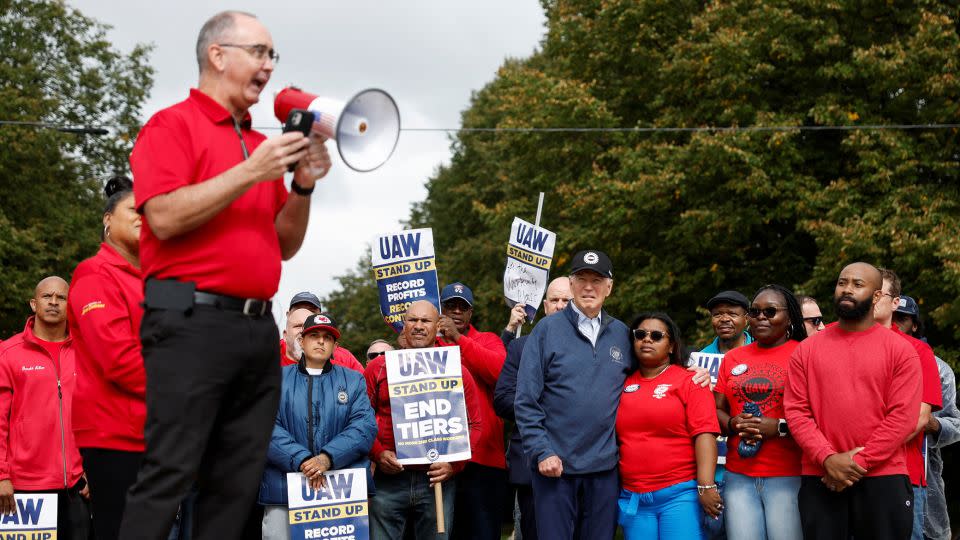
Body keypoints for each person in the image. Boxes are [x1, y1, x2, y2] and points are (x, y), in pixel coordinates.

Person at [119, 10, 332, 539]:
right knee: (170, 473)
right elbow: (163, 217)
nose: (268, 66)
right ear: (218, 55)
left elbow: (285, 243)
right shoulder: (172, 125)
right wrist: (251, 172)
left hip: (255, 328)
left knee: (235, 485)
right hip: (191, 320)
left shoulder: (256, 143)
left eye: (271, 56)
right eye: (258, 52)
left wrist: (302, 185)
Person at [784, 262, 922, 539]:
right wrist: (827, 459)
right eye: (842, 282)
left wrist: (855, 464)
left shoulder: (901, 351)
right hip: (820, 475)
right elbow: (796, 411)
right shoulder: (807, 350)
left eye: (858, 285)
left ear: (876, 297)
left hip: (883, 477)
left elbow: (903, 418)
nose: (847, 289)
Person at [514, 250, 631, 539]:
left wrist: (693, 371)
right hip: (556, 467)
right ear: (571, 283)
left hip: (604, 469)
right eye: (581, 279)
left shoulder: (623, 334)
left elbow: (656, 371)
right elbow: (526, 400)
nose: (589, 287)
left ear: (609, 287)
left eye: (597, 279)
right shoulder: (546, 330)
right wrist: (542, 451)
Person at [68, 177, 149, 540]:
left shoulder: (152, 279)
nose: (143, 217)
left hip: (151, 432)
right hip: (113, 434)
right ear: (107, 220)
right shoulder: (93, 273)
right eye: (134, 209)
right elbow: (119, 360)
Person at [365, 300, 483, 539]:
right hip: (389, 479)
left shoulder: (457, 370)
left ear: (437, 326)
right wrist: (377, 452)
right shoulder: (378, 367)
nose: (418, 326)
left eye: (426, 320)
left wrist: (454, 465)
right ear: (404, 325)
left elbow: (475, 425)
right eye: (413, 320)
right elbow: (361, 419)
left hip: (437, 481)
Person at [259, 313, 377, 540]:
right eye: (314, 335)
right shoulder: (276, 378)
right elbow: (265, 426)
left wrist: (327, 458)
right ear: (301, 341)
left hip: (340, 494)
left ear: (335, 345)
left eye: (327, 337)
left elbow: (364, 427)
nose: (321, 341)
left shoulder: (353, 380)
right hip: (284, 491)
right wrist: (302, 460)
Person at [616, 312, 721, 539]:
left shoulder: (690, 380)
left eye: (656, 336)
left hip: (679, 496)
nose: (647, 340)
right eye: (640, 334)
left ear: (671, 346)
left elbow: (705, 434)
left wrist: (706, 486)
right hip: (634, 497)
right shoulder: (620, 382)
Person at [714, 285, 807, 540]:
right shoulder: (733, 358)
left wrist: (778, 427)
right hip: (739, 475)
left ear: (789, 317)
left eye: (770, 311)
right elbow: (716, 409)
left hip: (787, 474)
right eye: (755, 312)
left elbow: (818, 415)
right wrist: (733, 423)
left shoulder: (805, 354)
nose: (761, 317)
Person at [0, 277, 90, 539]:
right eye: (46, 296)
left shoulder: (86, 352)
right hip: (23, 491)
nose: (53, 302)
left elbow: (100, 415)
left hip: (77, 486)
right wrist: (1, 475)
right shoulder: (8, 353)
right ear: (33, 303)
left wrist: (94, 468)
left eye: (61, 297)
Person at [493, 277, 572, 540]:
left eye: (567, 301)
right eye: (555, 300)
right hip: (532, 467)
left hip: (583, 465)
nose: (560, 306)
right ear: (545, 305)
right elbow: (503, 399)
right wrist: (552, 404)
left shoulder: (597, 346)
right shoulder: (520, 347)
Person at [435, 282, 508, 540]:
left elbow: (500, 372)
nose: (456, 311)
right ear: (440, 309)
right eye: (450, 305)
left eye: (462, 307)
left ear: (470, 313)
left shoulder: (488, 340)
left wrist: (458, 339)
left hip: (483, 459)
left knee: (483, 533)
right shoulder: (428, 345)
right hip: (439, 460)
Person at [874, 269, 942, 540]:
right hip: (843, 473)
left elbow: (919, 418)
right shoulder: (829, 340)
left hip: (901, 474)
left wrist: (862, 458)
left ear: (893, 300)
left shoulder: (917, 351)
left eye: (879, 292)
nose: (870, 297)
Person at [280, 305, 363, 372]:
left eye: (311, 331)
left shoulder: (346, 374)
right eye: (298, 326)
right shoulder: (272, 370)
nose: (303, 331)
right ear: (285, 335)